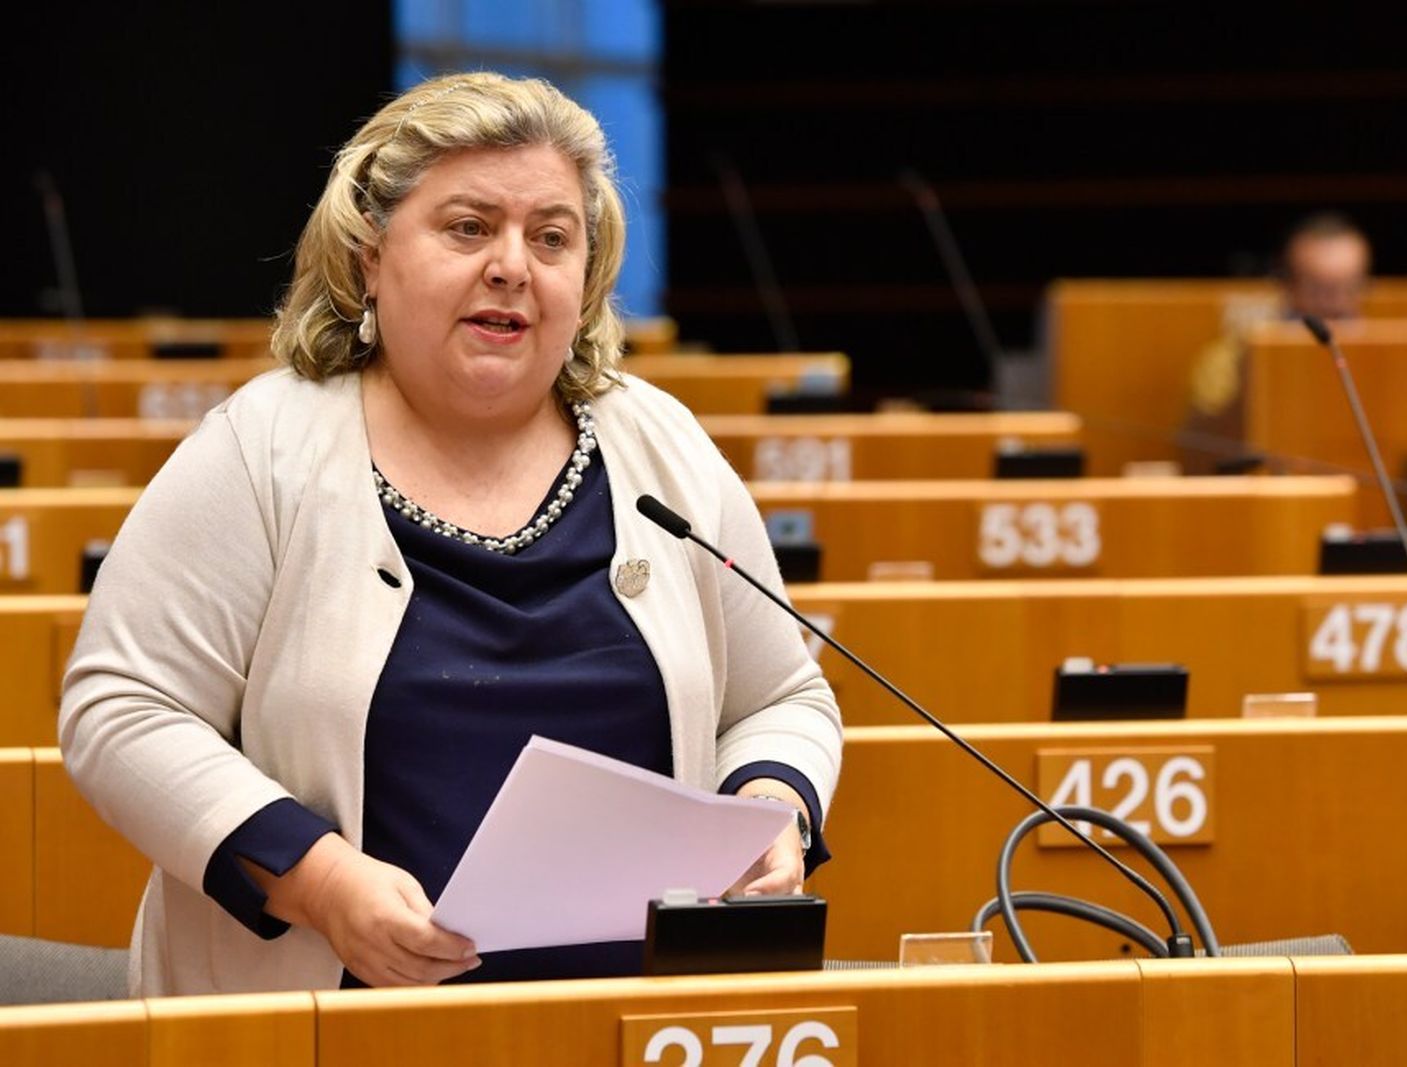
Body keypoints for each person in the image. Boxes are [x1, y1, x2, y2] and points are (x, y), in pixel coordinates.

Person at [59, 72, 843, 997]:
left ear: (584, 282)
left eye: (551, 237)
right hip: (333, 1020)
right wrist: (320, 881)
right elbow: (121, 711)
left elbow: (781, 696)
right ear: (367, 259)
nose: (512, 264)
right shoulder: (262, 448)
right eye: (468, 227)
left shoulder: (662, 443)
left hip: (635, 1021)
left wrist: (772, 805)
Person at [1181, 213, 1372, 473]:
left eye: (1348, 287)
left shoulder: (1384, 358)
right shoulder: (1234, 354)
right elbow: (1203, 443)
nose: (1334, 303)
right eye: (1318, 289)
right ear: (1287, 284)